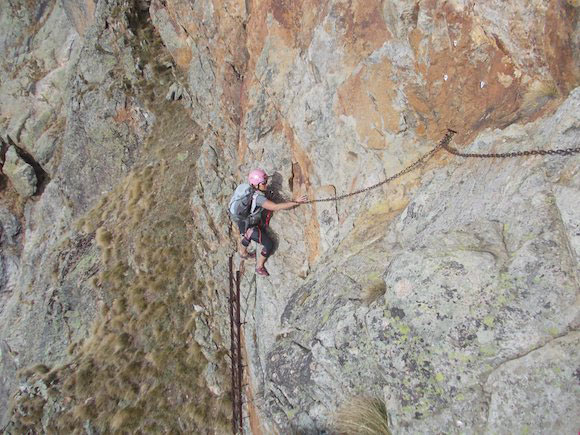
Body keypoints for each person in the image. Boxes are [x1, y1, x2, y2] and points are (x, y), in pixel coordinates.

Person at [238, 169, 307, 276]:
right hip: (250, 225)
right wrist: (295, 202)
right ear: (257, 185)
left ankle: (243, 251)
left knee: (248, 234)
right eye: (264, 183)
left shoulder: (249, 190)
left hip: (243, 221)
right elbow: (275, 207)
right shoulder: (259, 198)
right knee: (269, 244)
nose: (266, 184)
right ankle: (259, 266)